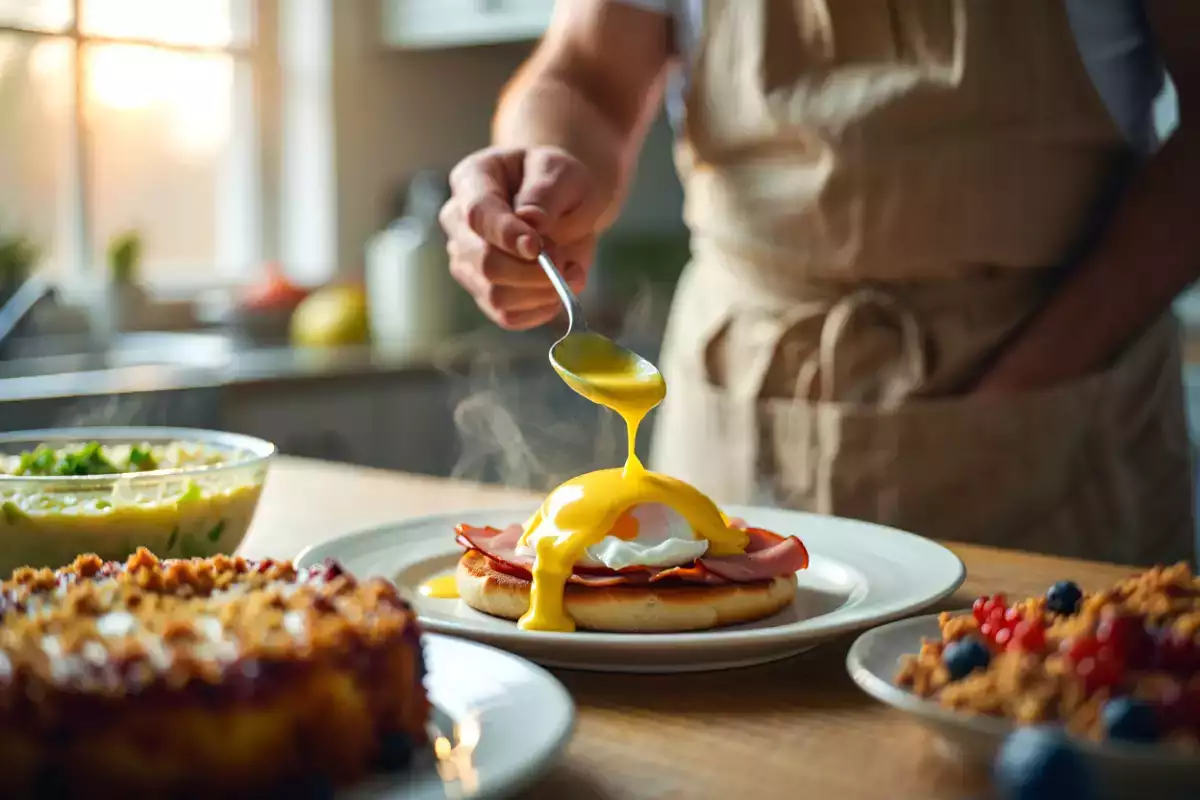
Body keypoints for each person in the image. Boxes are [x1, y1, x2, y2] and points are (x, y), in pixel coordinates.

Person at [439, 0, 1200, 566]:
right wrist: (541, 166)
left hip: (1058, 424)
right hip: (739, 413)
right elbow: (585, 71)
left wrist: (1036, 377)